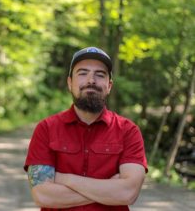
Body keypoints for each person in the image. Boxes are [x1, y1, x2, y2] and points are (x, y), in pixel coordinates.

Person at [24, 46, 147, 211]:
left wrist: (65, 179)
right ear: (70, 83)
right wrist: (110, 189)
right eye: (82, 73)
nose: (91, 80)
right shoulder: (46, 129)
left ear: (109, 85)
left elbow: (128, 193)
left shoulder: (128, 131)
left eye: (100, 74)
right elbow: (43, 195)